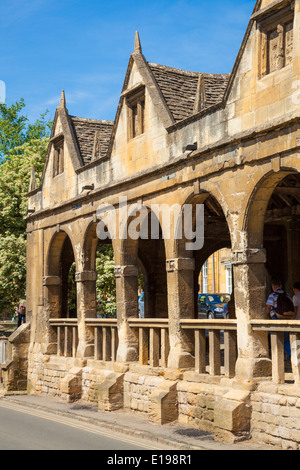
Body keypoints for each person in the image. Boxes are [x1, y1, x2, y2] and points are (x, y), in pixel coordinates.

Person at [266, 279, 294, 358]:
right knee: (286, 339)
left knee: (275, 336)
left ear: (273, 287)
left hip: (277, 318)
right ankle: (291, 354)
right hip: (287, 318)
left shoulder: (272, 295)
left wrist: (266, 314)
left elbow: (268, 308)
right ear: (281, 286)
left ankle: (276, 356)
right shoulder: (287, 295)